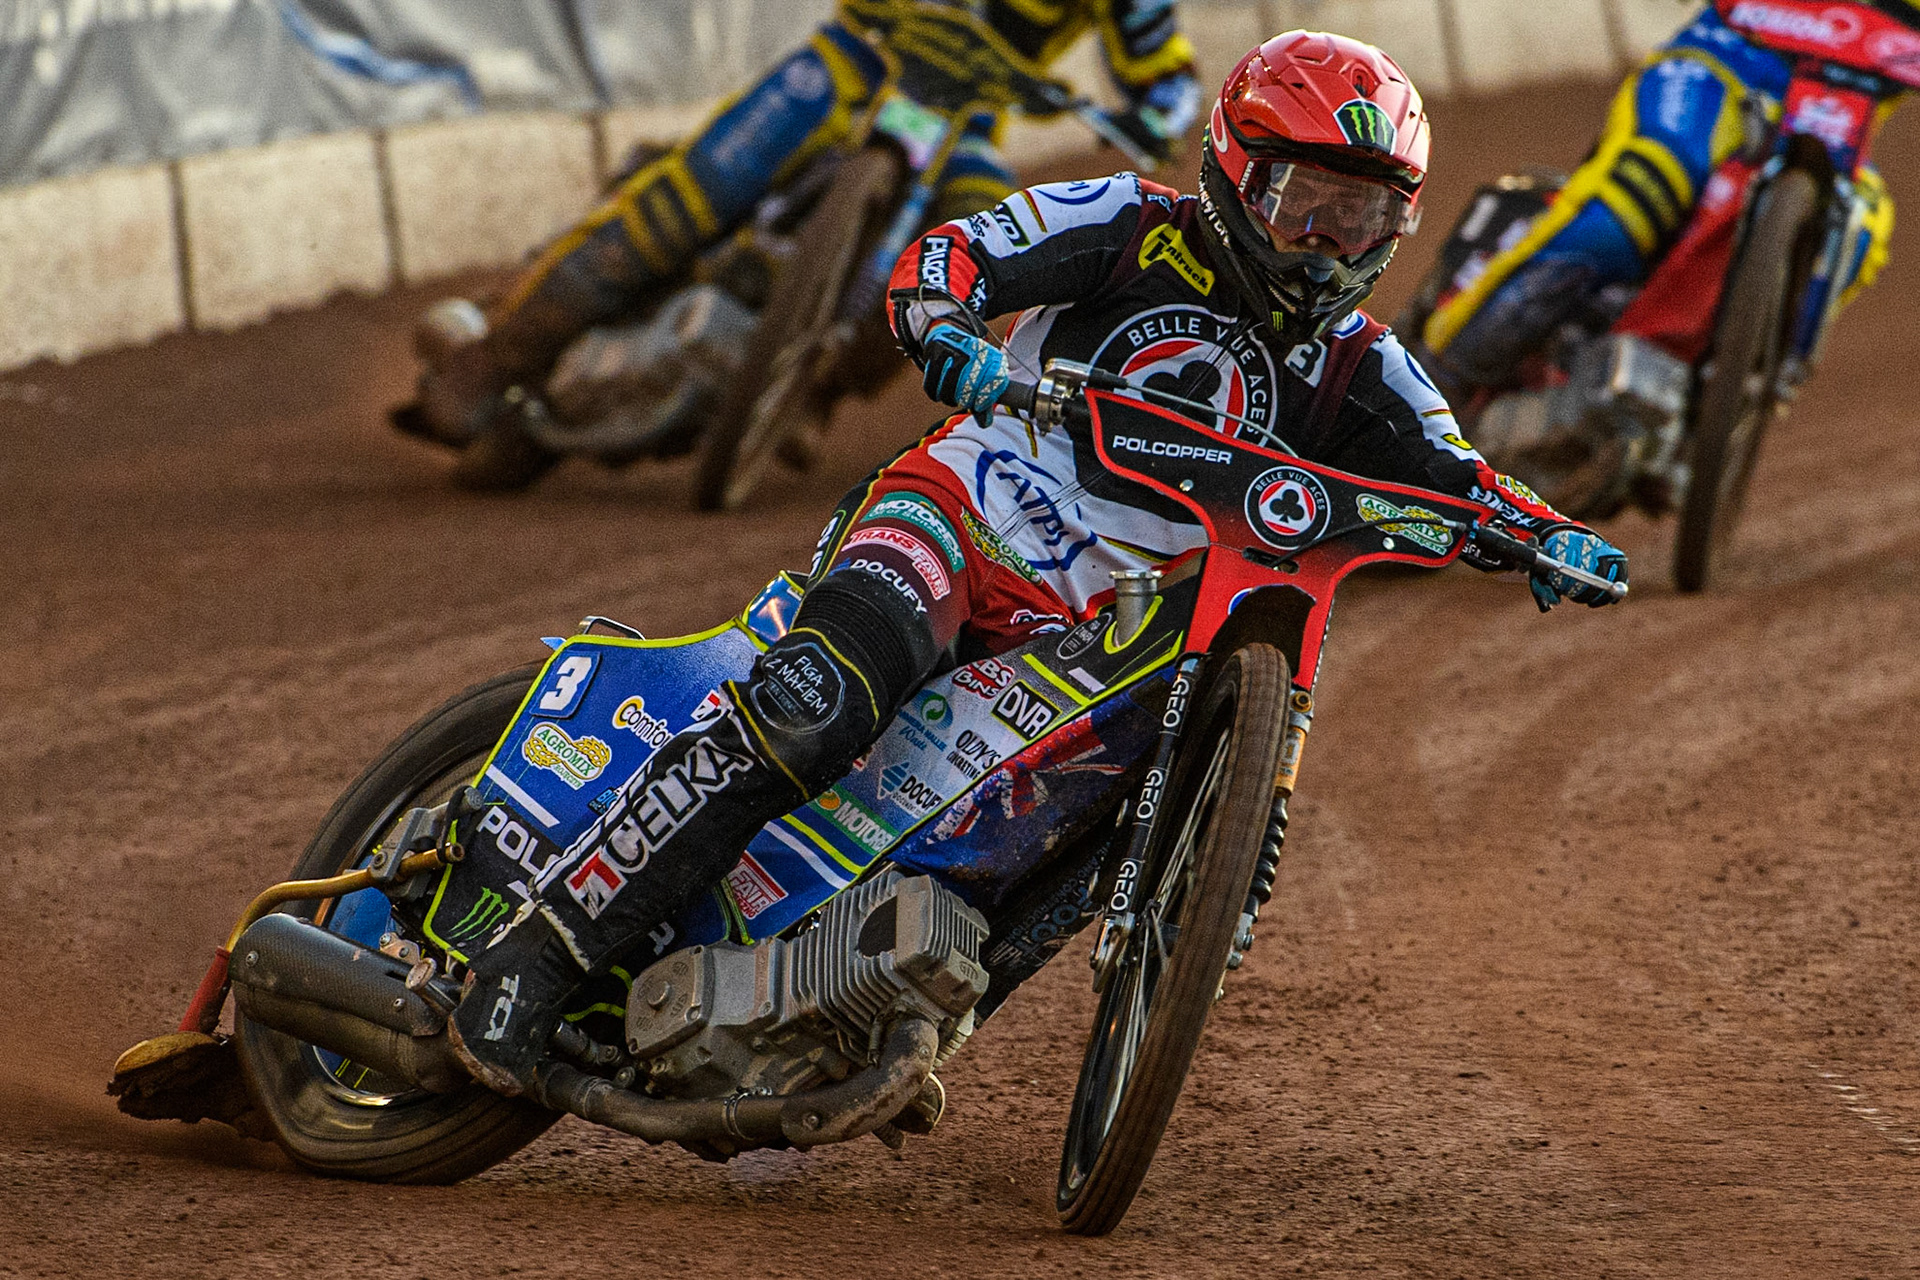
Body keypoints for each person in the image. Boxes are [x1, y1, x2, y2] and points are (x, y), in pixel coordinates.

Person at [443, 30, 1629, 1096]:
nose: (1325, 243)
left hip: (1086, 642)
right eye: (1302, 200)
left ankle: (869, 1000)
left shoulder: (1362, 366)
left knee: (1086, 815)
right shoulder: (1123, 223)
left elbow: (1469, 480)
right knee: (820, 700)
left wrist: (1550, 535)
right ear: (1231, 168)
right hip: (959, 517)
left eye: (1363, 218)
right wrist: (945, 330)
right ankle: (537, 954)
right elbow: (950, 257)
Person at [401, 0, 1203, 448]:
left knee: (975, 249)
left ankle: (818, 392)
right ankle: (500, 351)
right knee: (694, 192)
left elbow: (1166, 77)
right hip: (849, 65)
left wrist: (1154, 119)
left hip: (962, 125)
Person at [1411, 0, 1903, 399]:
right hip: (1718, 64)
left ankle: (1747, 390)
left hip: (1832, 127)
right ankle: (1436, 373)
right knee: (1643, 192)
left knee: (1860, 224)